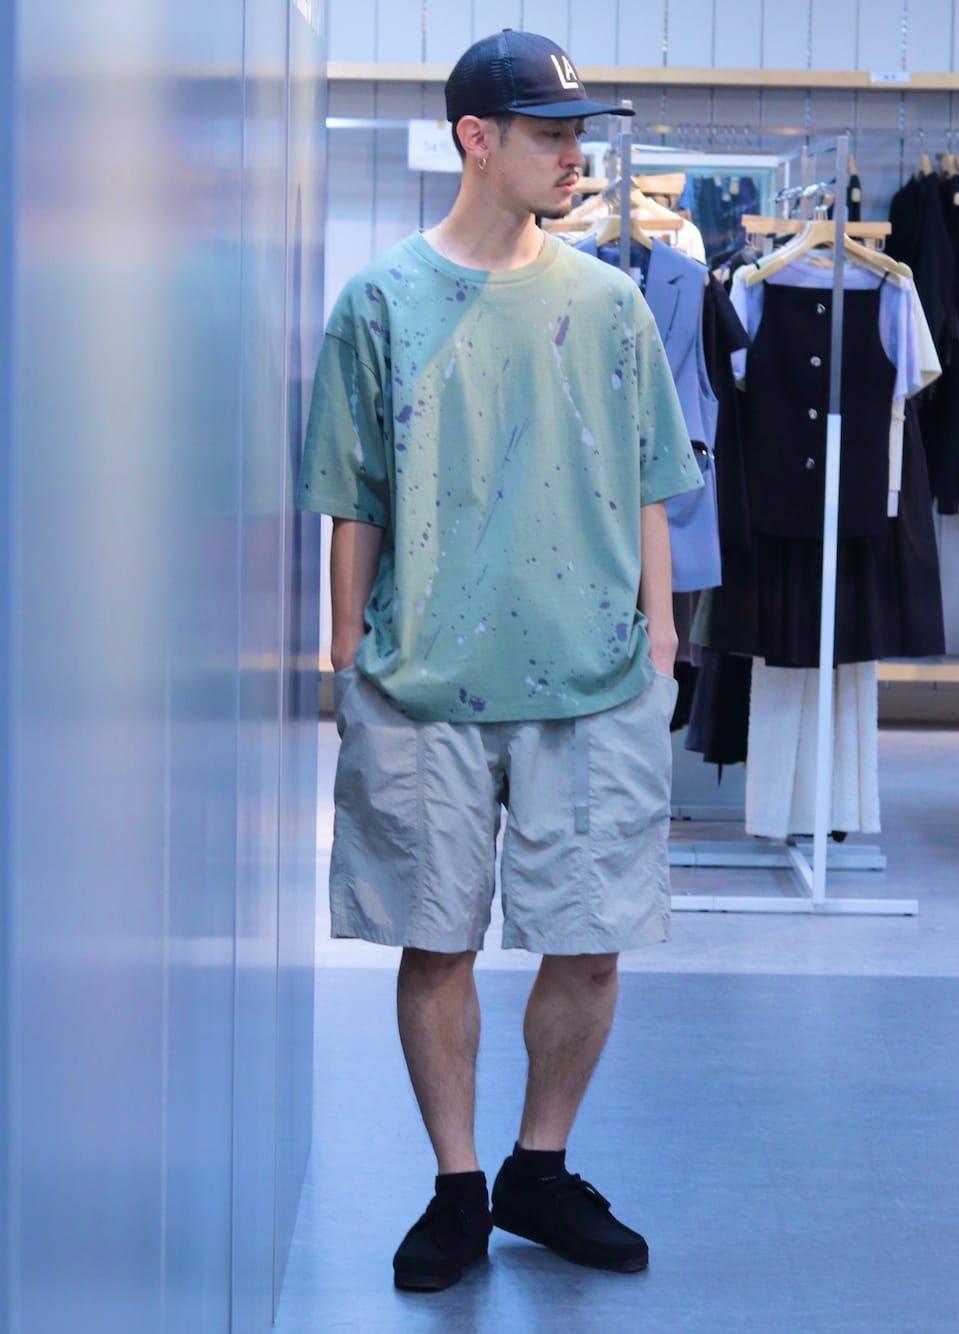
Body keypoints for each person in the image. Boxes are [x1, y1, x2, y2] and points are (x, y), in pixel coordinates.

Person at [296, 28, 701, 1292]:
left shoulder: (613, 303)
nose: (575, 155)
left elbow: (651, 476)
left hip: (596, 675)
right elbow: (351, 494)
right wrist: (347, 653)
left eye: (578, 134)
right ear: (476, 139)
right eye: (550, 134)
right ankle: (458, 1182)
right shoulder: (380, 303)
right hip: (422, 678)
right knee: (436, 938)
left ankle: (540, 1163)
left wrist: (662, 634)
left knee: (592, 938)